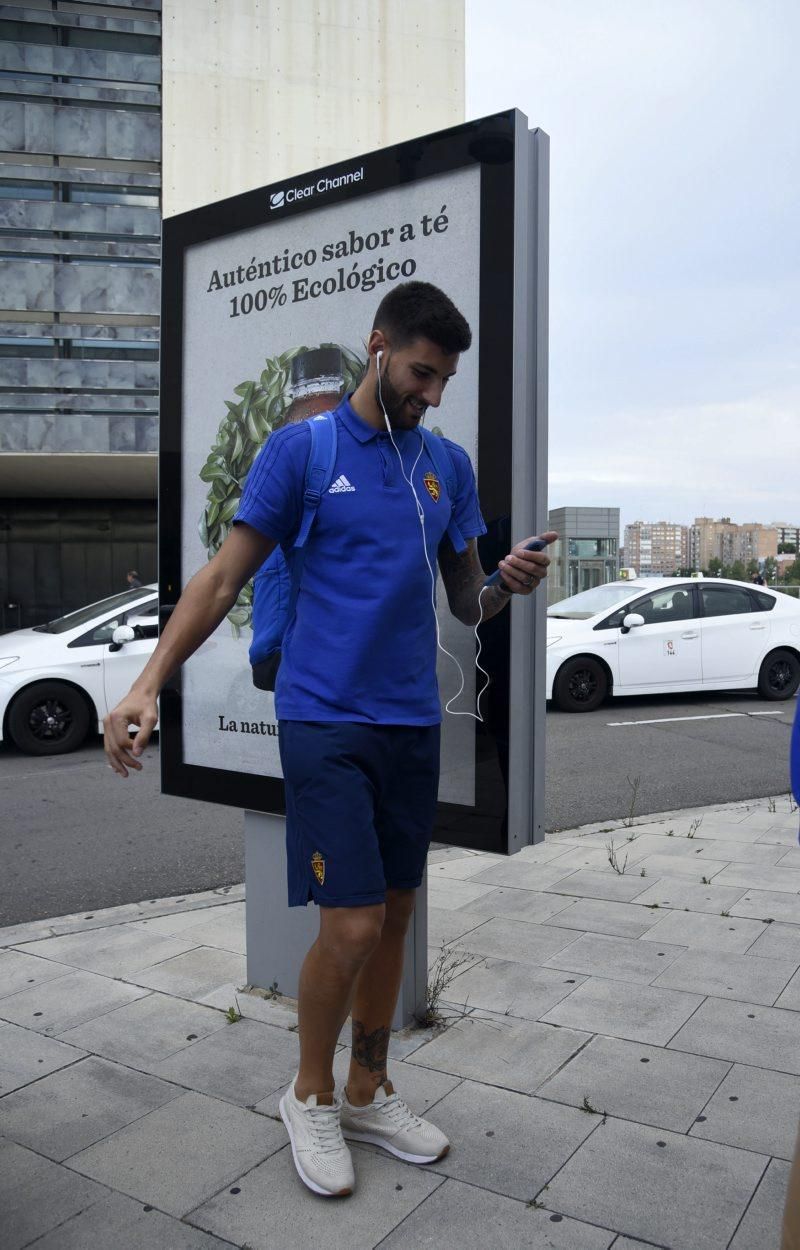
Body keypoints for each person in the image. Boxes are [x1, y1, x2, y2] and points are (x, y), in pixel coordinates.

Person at [104, 281, 555, 1199]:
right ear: (378, 344)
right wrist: (149, 682)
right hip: (323, 718)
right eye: (421, 374)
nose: (431, 395)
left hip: (410, 721)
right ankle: (308, 1094)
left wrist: (507, 581)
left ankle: (367, 1087)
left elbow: (466, 601)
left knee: (393, 915)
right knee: (347, 923)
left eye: (444, 383)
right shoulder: (301, 452)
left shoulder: (446, 466)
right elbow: (224, 577)